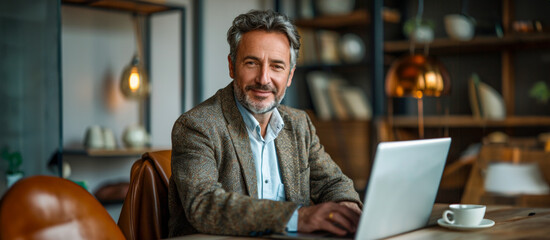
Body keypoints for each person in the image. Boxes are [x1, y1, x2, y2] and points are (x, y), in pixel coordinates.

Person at [168, 9, 362, 238]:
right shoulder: (196, 125)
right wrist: (299, 218)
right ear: (232, 66)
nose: (263, 79)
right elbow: (203, 204)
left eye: (277, 66)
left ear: (289, 76)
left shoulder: (299, 124)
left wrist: (347, 209)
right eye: (252, 63)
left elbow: (334, 183)